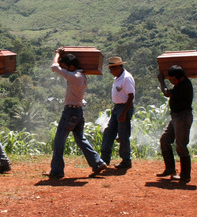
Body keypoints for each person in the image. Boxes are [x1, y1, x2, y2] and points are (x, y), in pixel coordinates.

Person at [46, 49, 108, 178]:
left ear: (71, 66)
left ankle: (57, 171)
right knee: (80, 138)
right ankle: (97, 162)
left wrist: (58, 53)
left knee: (59, 140)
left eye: (65, 67)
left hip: (70, 112)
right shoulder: (83, 77)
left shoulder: (74, 77)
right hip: (78, 111)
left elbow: (54, 66)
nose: (64, 69)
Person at [156, 65, 194, 182]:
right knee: (165, 140)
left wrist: (162, 81)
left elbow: (167, 93)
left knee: (181, 146)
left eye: (173, 80)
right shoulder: (181, 84)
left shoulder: (184, 85)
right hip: (176, 117)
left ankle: (185, 175)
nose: (172, 82)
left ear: (181, 77)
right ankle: (170, 169)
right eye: (170, 80)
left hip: (182, 117)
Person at [100, 56, 135, 169]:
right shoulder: (118, 78)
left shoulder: (126, 78)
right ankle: (104, 160)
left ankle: (126, 160)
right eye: (110, 68)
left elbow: (131, 96)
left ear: (119, 67)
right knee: (109, 132)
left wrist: (124, 113)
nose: (111, 71)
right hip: (117, 108)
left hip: (124, 107)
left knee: (123, 134)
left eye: (113, 68)